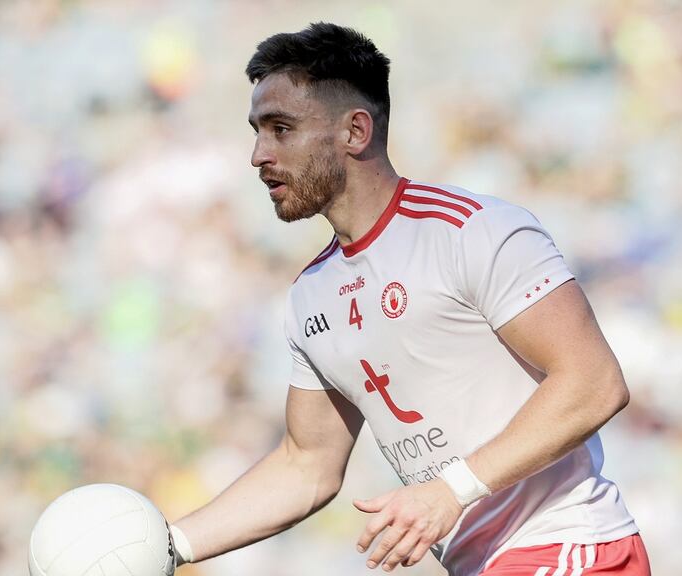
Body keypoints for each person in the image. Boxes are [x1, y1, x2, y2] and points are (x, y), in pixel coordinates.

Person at [168, 22, 651, 576]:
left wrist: (450, 490)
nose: (258, 154)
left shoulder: (474, 231)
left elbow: (594, 382)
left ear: (355, 131)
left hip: (569, 547)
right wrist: (170, 545)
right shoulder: (311, 295)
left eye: (281, 128)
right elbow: (307, 465)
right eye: (256, 130)